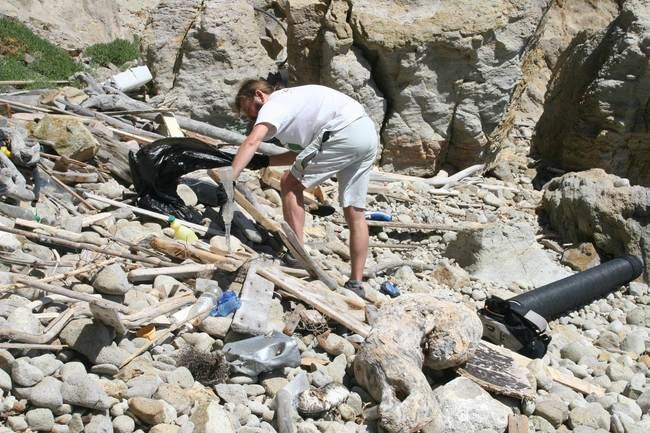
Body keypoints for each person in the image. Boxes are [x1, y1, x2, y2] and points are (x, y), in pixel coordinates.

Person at [231, 79, 379, 290]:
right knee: (355, 211)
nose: (255, 117)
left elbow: (252, 141)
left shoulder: (274, 103)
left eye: (253, 110)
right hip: (365, 133)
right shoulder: (295, 105)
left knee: (290, 184)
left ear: (259, 95)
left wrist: (230, 179)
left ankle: (296, 254)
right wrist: (264, 161)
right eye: (251, 117)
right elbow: (304, 152)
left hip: (342, 131)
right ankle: (356, 283)